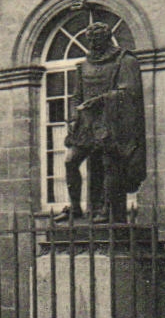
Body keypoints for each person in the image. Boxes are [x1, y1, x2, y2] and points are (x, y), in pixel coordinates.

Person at [55, 22, 147, 224]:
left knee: (109, 165)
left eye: (97, 40)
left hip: (110, 123)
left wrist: (101, 100)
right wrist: (73, 117)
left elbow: (129, 92)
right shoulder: (84, 65)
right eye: (90, 41)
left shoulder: (124, 60)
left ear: (107, 39)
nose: (93, 44)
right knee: (70, 161)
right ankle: (75, 208)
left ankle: (107, 208)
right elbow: (77, 95)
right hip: (86, 124)